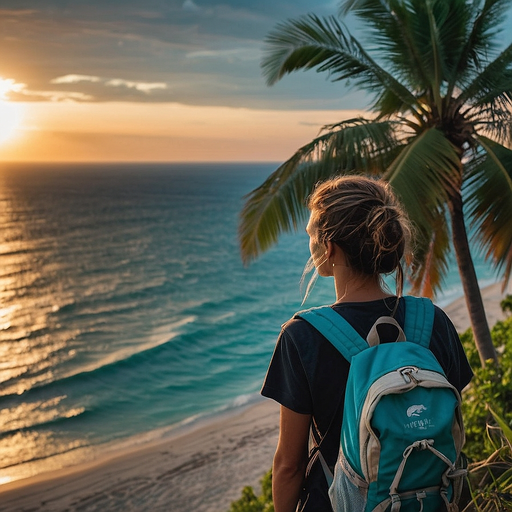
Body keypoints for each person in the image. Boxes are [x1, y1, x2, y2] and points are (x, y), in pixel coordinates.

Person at [261, 175, 473, 512]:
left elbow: (289, 465)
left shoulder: (302, 336)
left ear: (329, 247)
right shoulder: (434, 320)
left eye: (312, 235)